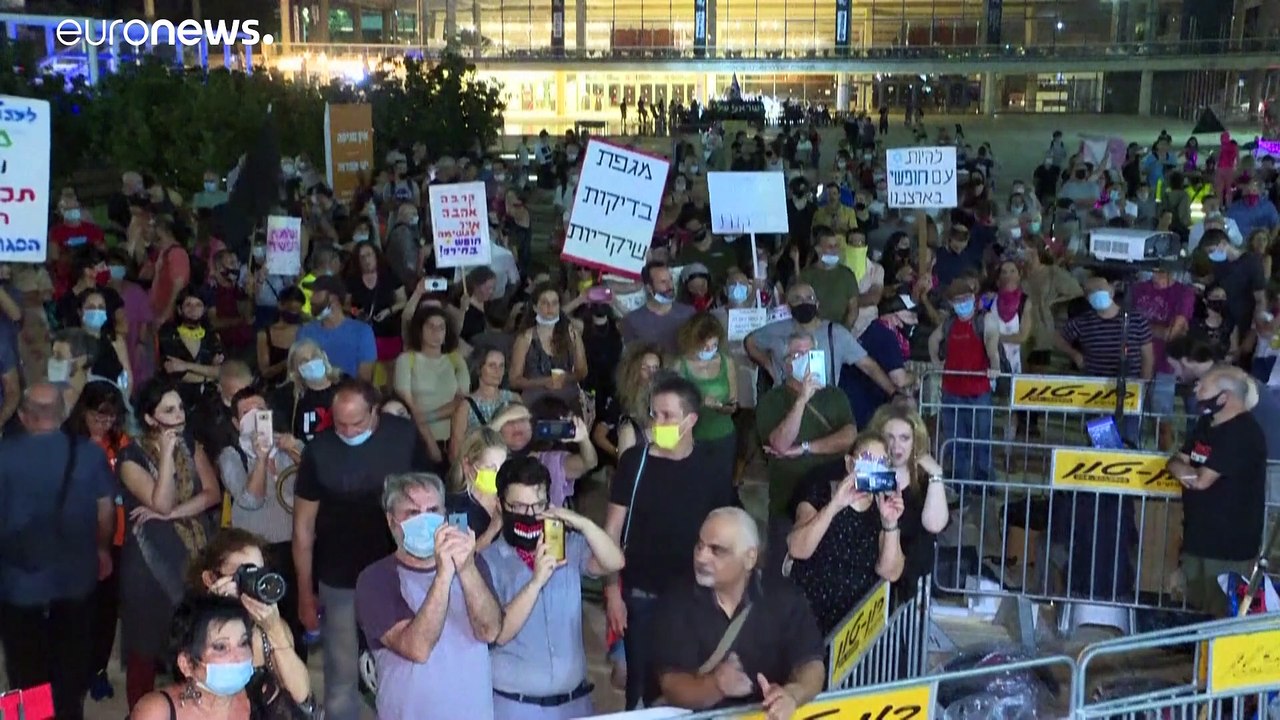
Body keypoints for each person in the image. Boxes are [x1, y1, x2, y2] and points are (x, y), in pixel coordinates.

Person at [292, 378, 434, 720]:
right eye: (340, 423)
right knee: (341, 673)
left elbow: (429, 498)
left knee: (403, 664)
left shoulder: (401, 435)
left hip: (399, 570)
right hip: (340, 574)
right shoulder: (320, 451)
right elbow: (303, 527)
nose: (348, 430)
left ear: (375, 412)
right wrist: (305, 592)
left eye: (356, 422)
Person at [602, 374, 739, 709]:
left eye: (667, 416)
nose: (657, 422)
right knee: (640, 691)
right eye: (654, 414)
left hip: (696, 600)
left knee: (689, 689)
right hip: (641, 597)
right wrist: (611, 593)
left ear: (690, 420)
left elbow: (733, 529)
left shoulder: (711, 467)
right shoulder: (635, 462)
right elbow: (611, 533)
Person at [0, 383, 115, 720]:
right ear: (65, 412)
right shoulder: (90, 454)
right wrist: (104, 551)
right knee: (70, 667)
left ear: (23, 416)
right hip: (75, 581)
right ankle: (67, 714)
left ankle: (32, 716)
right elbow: (106, 511)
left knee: (25, 670)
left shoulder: (4, 456)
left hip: (17, 586)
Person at [484, 457, 625, 719]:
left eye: (538, 506)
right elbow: (498, 633)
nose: (530, 515)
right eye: (519, 506)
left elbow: (614, 561)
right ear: (500, 506)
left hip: (574, 702)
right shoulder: (488, 562)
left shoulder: (565, 545)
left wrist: (583, 523)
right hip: (516, 706)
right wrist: (536, 582)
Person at [355, 472, 503, 719]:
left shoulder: (473, 565)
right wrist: (443, 575)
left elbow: (489, 631)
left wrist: (465, 569)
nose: (424, 519)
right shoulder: (376, 579)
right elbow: (417, 648)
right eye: (413, 513)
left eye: (433, 510)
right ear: (392, 522)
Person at [651, 507, 824, 716]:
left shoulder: (783, 597)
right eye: (700, 545)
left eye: (717, 550)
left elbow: (811, 663)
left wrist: (792, 695)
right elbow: (671, 684)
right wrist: (714, 686)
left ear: (750, 558)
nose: (701, 557)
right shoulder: (677, 600)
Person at [117, 378, 220, 707]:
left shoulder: (193, 444)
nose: (179, 415)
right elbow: (158, 502)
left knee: (192, 643)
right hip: (149, 565)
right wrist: (165, 455)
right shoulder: (130, 457)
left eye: (180, 408)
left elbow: (211, 493)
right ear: (150, 418)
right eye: (169, 410)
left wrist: (174, 513)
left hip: (193, 557)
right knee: (144, 649)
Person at [1167, 367, 1267, 616]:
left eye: (1204, 387)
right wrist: (1182, 470)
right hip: (1198, 539)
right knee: (1196, 612)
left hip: (1228, 549)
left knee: (1222, 617)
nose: (1197, 390)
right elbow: (1175, 461)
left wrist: (1185, 471)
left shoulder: (1242, 433)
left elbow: (1201, 480)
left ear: (1225, 397)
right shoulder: (1206, 424)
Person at [785, 433, 906, 633]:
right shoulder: (821, 491)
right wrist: (835, 505)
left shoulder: (883, 506)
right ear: (850, 464)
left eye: (882, 462)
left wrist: (890, 523)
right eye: (867, 461)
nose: (874, 469)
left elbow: (890, 572)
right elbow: (797, 549)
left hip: (857, 624)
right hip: (810, 614)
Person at [184, 529, 314, 710]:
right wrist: (214, 613)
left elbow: (301, 693)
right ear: (210, 578)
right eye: (244, 574)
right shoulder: (191, 624)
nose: (253, 582)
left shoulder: (270, 626)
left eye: (258, 573)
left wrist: (274, 629)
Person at [757, 331, 858, 558]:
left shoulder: (835, 395)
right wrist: (802, 399)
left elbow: (850, 436)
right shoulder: (771, 400)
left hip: (829, 496)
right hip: (786, 497)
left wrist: (805, 448)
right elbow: (780, 445)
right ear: (787, 363)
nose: (806, 358)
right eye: (798, 354)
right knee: (782, 567)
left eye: (811, 353)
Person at [128, 595, 310, 720]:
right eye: (221, 647)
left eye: (243, 643)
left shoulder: (263, 696)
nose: (238, 657)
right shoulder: (158, 712)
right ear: (186, 664)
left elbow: (304, 698)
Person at [217, 388, 303, 648]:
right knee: (255, 625)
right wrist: (261, 458)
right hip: (255, 554)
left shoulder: (290, 447)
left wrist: (295, 449)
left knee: (293, 623)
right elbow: (251, 499)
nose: (255, 417)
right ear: (236, 422)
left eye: (260, 410)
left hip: (295, 549)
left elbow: (318, 483)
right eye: (246, 413)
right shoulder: (231, 456)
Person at [66, 382, 130, 700]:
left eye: (110, 418)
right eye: (98, 417)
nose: (104, 424)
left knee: (106, 611)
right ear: (83, 412)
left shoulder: (122, 445)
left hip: (114, 541)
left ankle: (98, 670)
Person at [745, 282, 896, 396]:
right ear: (788, 306)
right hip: (784, 400)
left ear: (817, 304)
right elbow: (749, 341)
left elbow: (868, 366)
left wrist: (893, 393)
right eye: (797, 299)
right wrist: (769, 366)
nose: (804, 302)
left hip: (824, 402)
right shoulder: (776, 330)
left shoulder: (836, 333)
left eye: (809, 298)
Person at [1055, 276, 1155, 442]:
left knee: (1128, 440)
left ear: (1111, 290)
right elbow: (1057, 338)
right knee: (1100, 441)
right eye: (1090, 292)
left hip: (1129, 390)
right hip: (1096, 391)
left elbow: (1148, 356)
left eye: (1100, 289)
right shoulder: (1083, 321)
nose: (1096, 294)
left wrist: (1143, 386)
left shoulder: (1135, 320)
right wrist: (1075, 354)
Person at [868, 404, 949, 596]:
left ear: (915, 441)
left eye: (904, 438)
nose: (896, 446)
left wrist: (937, 474)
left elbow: (934, 525)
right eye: (890, 437)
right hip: (875, 576)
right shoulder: (869, 474)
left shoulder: (925, 479)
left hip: (914, 579)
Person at [929, 278, 1001, 483]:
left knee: (981, 440)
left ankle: (984, 482)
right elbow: (933, 340)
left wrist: (994, 369)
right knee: (955, 441)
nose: (962, 304)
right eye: (957, 301)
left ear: (973, 298)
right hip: (952, 391)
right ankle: (961, 482)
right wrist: (936, 362)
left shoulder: (985, 321)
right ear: (951, 303)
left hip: (978, 392)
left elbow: (992, 349)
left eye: (966, 299)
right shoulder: (949, 324)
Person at [395, 305, 468, 455]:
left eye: (441, 328)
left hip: (454, 440)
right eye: (430, 326)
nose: (436, 332)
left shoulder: (456, 360)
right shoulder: (406, 360)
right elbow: (410, 405)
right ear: (420, 330)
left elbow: (461, 402)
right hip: (418, 440)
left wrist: (427, 417)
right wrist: (429, 441)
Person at [510, 284, 589, 411]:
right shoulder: (525, 338)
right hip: (535, 399)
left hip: (567, 398)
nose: (550, 308)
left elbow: (582, 371)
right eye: (545, 303)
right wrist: (543, 382)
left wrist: (565, 378)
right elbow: (514, 380)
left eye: (554, 303)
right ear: (535, 307)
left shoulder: (571, 333)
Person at [675, 313, 739, 466]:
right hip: (692, 436)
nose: (710, 350)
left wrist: (725, 408)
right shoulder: (679, 366)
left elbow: (734, 402)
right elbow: (675, 406)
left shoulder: (726, 362)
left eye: (714, 346)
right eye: (705, 347)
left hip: (723, 435)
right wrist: (701, 401)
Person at [296, 275, 376, 381]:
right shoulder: (305, 332)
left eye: (316, 293)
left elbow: (364, 379)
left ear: (333, 298)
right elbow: (299, 374)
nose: (311, 298)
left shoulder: (362, 332)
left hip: (349, 395)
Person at [157, 288, 225, 407]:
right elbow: (174, 372)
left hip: (209, 401)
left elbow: (221, 371)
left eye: (198, 305)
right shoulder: (168, 333)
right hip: (177, 398)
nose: (193, 309)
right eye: (188, 304)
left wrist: (186, 365)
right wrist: (209, 376)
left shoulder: (212, 336)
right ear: (179, 309)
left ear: (204, 310)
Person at [449, 346, 519, 460]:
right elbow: (456, 449)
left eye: (501, 366)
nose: (498, 371)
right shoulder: (466, 406)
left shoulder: (513, 399)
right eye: (492, 366)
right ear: (479, 368)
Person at [446, 426, 509, 551]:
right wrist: (492, 529)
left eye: (502, 467)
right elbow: (461, 557)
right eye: (490, 468)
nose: (497, 473)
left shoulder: (508, 495)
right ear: (467, 465)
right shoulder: (456, 507)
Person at [620, 261, 696, 354]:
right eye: (663, 282)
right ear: (649, 288)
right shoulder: (633, 320)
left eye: (670, 280)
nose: (670, 286)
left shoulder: (689, 313)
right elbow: (633, 357)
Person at [256, 287, 304, 387]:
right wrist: (288, 362)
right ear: (280, 305)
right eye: (291, 310)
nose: (294, 314)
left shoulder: (305, 331)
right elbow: (265, 372)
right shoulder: (264, 334)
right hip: (274, 388)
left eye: (297, 310)